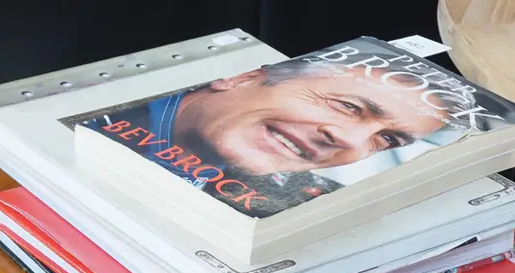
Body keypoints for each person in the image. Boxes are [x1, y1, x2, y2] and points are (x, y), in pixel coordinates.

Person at [78, 58, 465, 216]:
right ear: (242, 76)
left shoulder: (294, 203)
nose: (348, 139)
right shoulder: (90, 118)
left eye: (389, 140)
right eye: (348, 106)